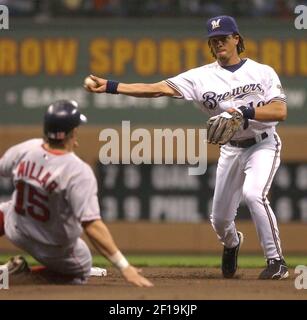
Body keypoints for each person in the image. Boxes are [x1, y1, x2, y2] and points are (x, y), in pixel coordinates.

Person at [84, 15, 289, 280]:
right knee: (220, 220)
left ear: (236, 39)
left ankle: (276, 261)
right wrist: (112, 86)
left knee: (253, 194)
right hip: (231, 149)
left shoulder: (262, 72)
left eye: (223, 38)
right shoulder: (200, 78)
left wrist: (243, 112)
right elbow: (157, 89)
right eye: (213, 41)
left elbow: (280, 111)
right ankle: (232, 243)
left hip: (263, 145)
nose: (218, 45)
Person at [0, 99, 153, 287]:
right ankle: (15, 277)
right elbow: (92, 225)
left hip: (16, 228)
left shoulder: (26, 149)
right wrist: (124, 266)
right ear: (72, 132)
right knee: (82, 268)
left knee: (6, 208)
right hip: (52, 247)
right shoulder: (77, 171)